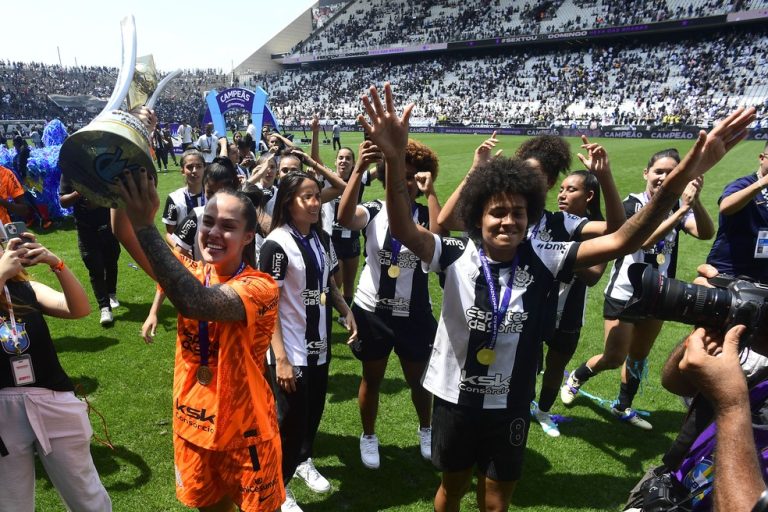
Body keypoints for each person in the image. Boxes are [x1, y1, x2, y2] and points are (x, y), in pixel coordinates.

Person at [359, 82, 754, 512]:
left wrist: (680, 178)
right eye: (497, 212)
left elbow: (623, 238)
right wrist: (394, 159)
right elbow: (404, 228)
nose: (508, 221)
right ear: (477, 217)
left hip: (510, 403)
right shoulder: (453, 253)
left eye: (518, 212)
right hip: (455, 397)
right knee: (451, 490)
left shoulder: (547, 256)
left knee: (496, 503)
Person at [119, 172, 284, 512]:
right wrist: (118, 184)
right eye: (208, 222)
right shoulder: (189, 272)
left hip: (248, 433)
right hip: (192, 424)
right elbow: (124, 231)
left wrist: (146, 226)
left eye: (228, 226)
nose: (214, 232)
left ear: (248, 236)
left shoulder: (260, 286)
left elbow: (197, 302)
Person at [562, 148, 716, 430]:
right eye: (659, 172)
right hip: (625, 292)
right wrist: (681, 211)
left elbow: (705, 233)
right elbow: (643, 241)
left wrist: (695, 203)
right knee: (614, 357)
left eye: (672, 173)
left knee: (638, 357)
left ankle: (623, 406)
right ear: (646, 174)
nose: (664, 177)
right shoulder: (633, 205)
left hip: (660, 293)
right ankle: (578, 376)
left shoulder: (677, 206)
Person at [337, 137, 444, 469]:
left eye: (412, 176)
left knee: (419, 379)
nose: (406, 183)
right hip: (373, 312)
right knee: (372, 377)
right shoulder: (373, 210)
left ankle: (426, 429)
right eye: (400, 176)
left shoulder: (424, 214)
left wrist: (431, 192)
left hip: (414, 312)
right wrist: (359, 169)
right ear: (386, 176)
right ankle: (368, 435)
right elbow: (344, 218)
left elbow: (441, 245)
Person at [259, 171, 357, 512]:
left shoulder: (320, 238)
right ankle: (278, 488)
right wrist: (281, 359)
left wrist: (346, 310)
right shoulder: (276, 244)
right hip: (292, 353)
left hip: (319, 347)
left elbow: (328, 283)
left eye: (317, 196)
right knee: (288, 423)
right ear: (289, 203)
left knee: (312, 414)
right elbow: (268, 305)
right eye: (307, 197)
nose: (316, 203)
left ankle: (302, 461)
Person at [0, 233, 109, 512]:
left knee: (85, 492)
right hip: (2, 411)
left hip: (50, 397)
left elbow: (79, 308)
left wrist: (55, 263)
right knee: (11, 501)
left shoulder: (26, 289)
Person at [59, 175, 121, 326]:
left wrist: (99, 199)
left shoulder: (101, 168)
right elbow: (63, 202)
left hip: (108, 226)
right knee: (95, 267)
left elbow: (117, 193)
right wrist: (79, 192)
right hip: (86, 229)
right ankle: (104, 307)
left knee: (111, 262)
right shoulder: (70, 171)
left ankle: (111, 293)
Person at [706, 140, 768, 284]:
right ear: (761, 158)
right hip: (728, 271)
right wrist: (761, 184)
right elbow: (725, 206)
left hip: (761, 274)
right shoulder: (744, 184)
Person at [162, 149, 206, 244]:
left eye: (199, 166)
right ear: (182, 170)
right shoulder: (174, 198)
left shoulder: (213, 197)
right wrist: (180, 250)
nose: (195, 171)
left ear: (204, 169)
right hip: (184, 251)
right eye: (190, 167)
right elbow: (169, 234)